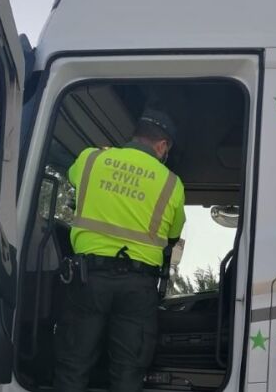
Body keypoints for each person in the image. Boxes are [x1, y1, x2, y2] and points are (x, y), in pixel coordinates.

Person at [53, 110, 186, 392]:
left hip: (88, 279)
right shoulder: (172, 183)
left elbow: (72, 177)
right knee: (128, 373)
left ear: (135, 135)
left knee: (73, 365)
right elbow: (173, 236)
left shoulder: (91, 158)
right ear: (162, 145)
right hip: (138, 288)